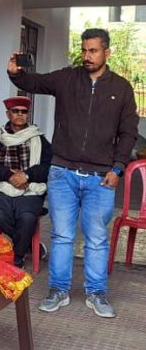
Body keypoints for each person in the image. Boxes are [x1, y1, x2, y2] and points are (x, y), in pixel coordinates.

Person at [8, 28, 138, 318]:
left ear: (107, 52)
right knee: (63, 236)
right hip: (63, 172)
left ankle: (96, 293)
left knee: (96, 238)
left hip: (101, 177)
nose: (87, 56)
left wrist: (118, 168)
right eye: (84, 50)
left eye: (93, 50)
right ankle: (59, 290)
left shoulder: (122, 88)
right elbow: (36, 82)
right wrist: (16, 74)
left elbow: (129, 134)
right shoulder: (67, 78)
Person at [0, 96, 52, 268]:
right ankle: (26, 246)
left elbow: (49, 167)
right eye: (15, 111)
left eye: (23, 112)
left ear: (28, 114)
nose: (19, 115)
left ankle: (17, 258)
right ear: (8, 114)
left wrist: (26, 175)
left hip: (30, 190)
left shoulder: (39, 140)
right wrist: (9, 175)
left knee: (27, 218)